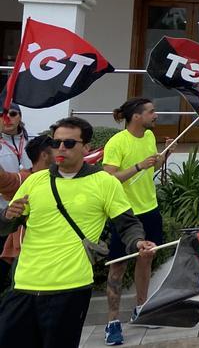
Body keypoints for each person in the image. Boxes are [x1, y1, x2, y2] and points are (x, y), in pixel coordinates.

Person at [0, 117, 155, 347]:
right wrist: (8, 216)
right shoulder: (35, 181)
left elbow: (128, 224)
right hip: (23, 286)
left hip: (69, 288)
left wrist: (138, 243)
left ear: (86, 147)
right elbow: (8, 225)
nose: (61, 148)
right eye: (56, 143)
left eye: (69, 143)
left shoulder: (104, 182)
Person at [103, 97, 172, 345]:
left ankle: (141, 308)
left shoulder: (150, 137)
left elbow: (153, 167)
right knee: (119, 265)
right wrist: (138, 166)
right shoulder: (117, 142)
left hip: (149, 208)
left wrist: (164, 155)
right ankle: (112, 322)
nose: (156, 115)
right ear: (136, 116)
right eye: (151, 111)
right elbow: (109, 180)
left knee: (146, 259)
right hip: (124, 213)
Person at [0, 134, 52, 296]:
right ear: (44, 154)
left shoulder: (64, 179)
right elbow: (3, 180)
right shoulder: (25, 179)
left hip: (54, 255)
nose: (62, 150)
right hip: (26, 256)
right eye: (56, 147)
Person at [0, 105, 29, 295]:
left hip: (24, 217)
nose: (8, 118)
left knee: (18, 273)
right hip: (2, 215)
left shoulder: (32, 141)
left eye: (13, 114)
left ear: (20, 116)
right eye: (3, 114)